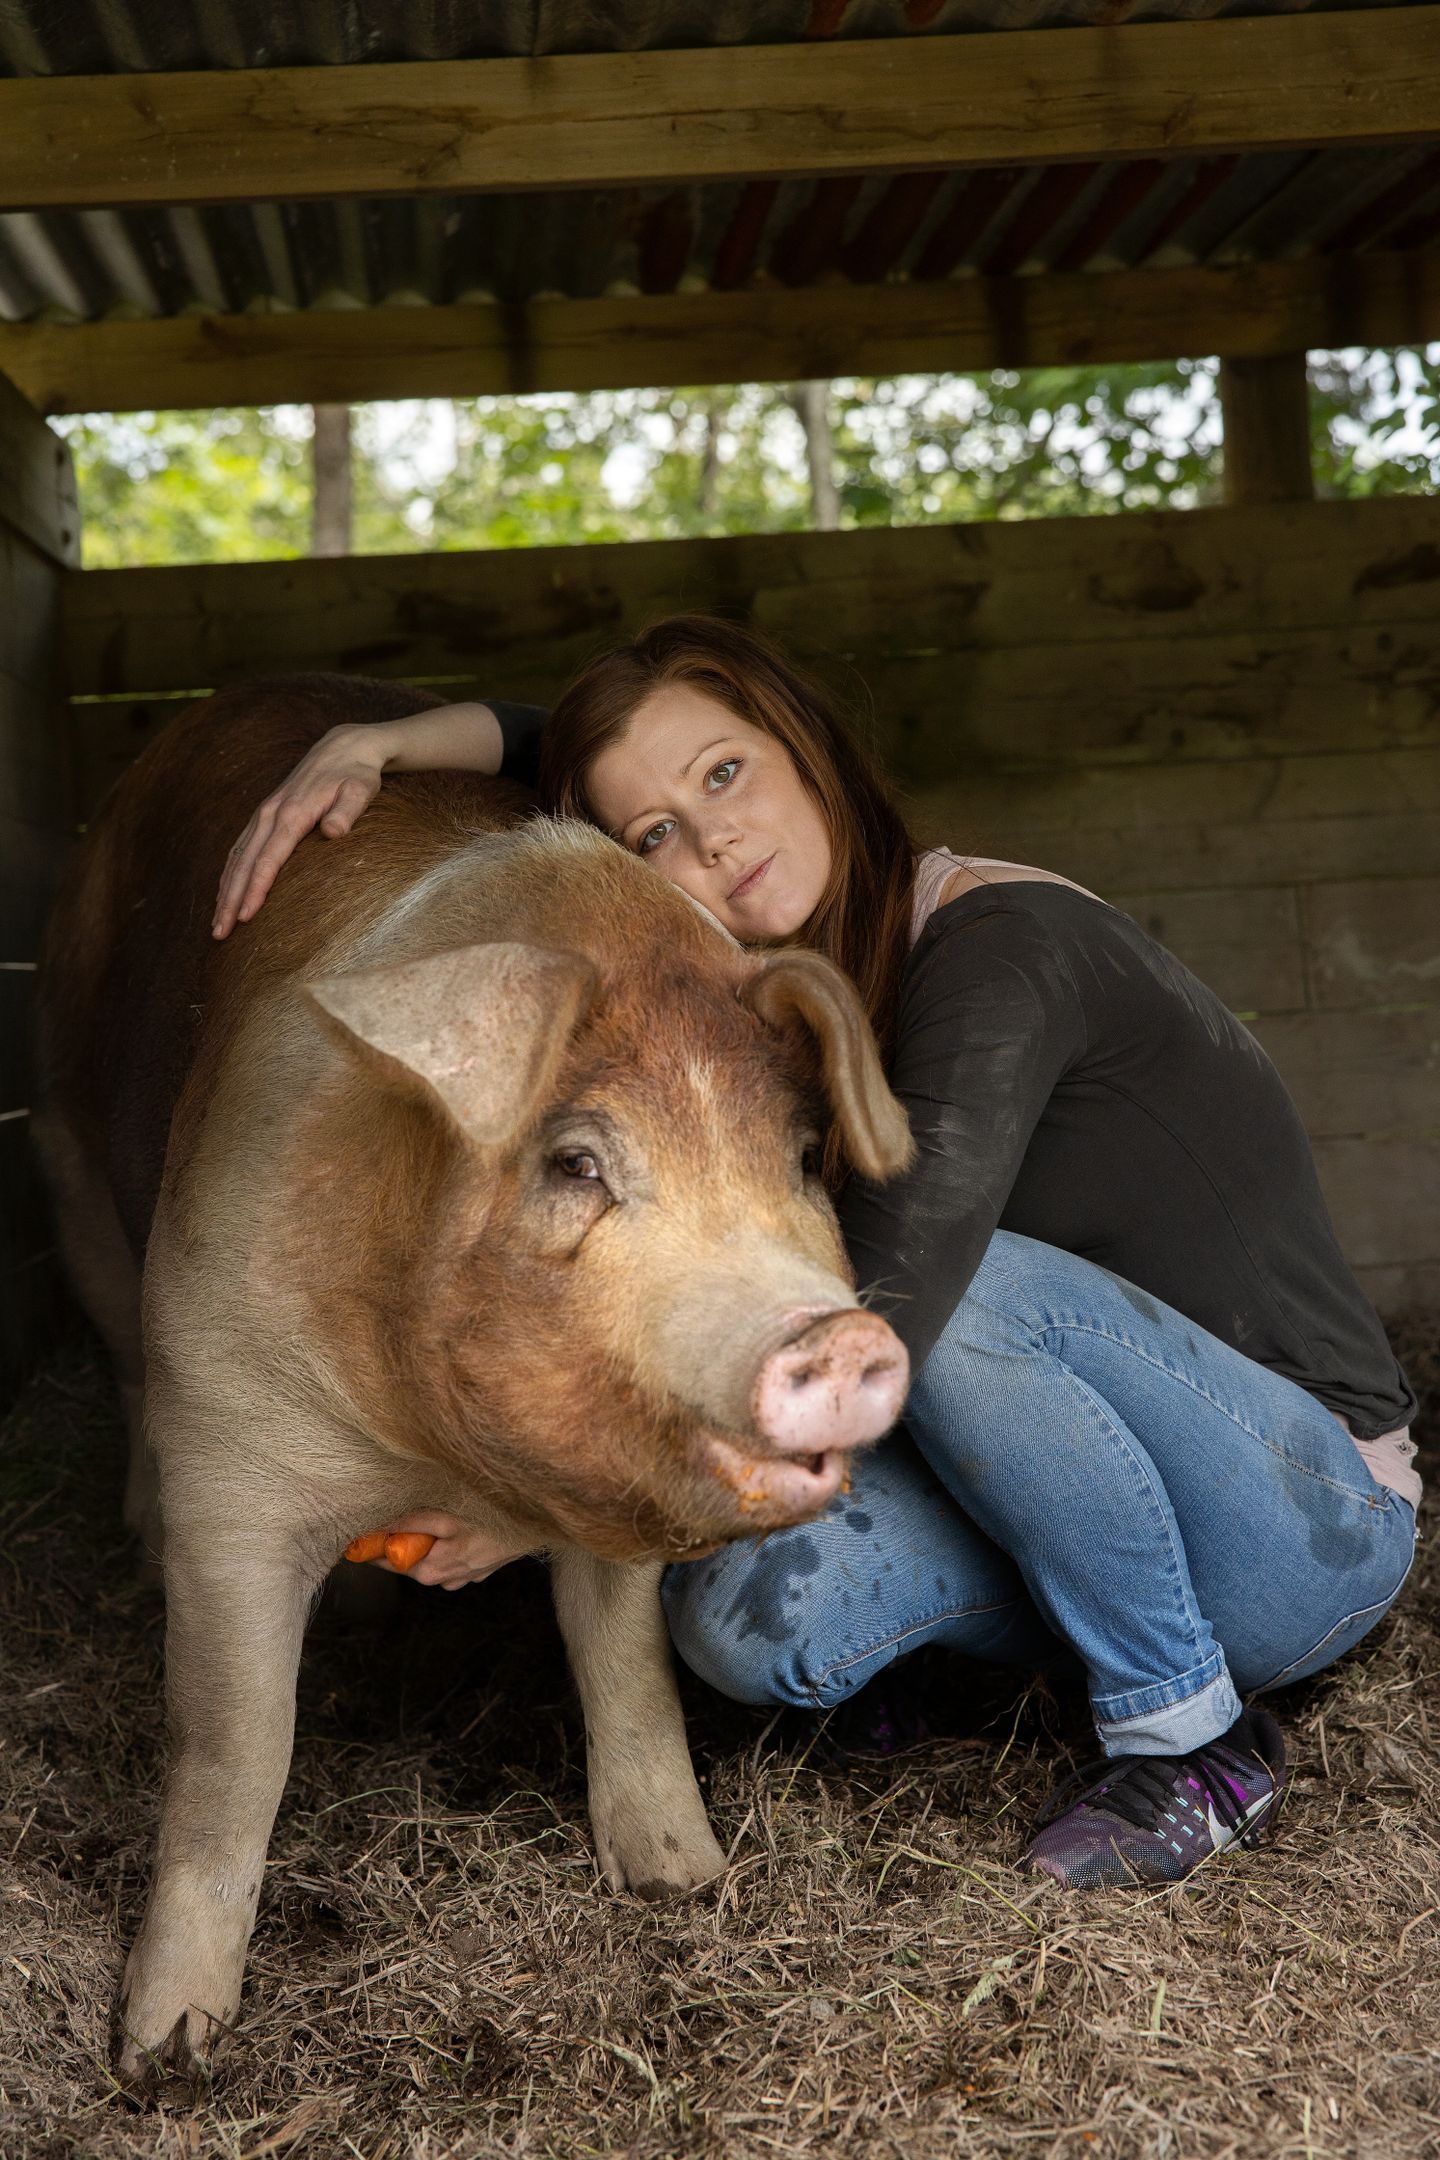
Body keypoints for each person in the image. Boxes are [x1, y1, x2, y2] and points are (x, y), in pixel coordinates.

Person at [213, 619, 1419, 1889]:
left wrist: (529, 1507)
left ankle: (1190, 1737)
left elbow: (895, 1306)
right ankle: (984, 1658)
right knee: (736, 1620)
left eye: (727, 773)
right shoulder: (788, 996)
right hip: (1078, 1482)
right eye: (655, 835)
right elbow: (546, 745)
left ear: (810, 747)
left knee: (953, 1298)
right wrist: (382, 744)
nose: (712, 839)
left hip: (1298, 1519)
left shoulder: (999, 951)